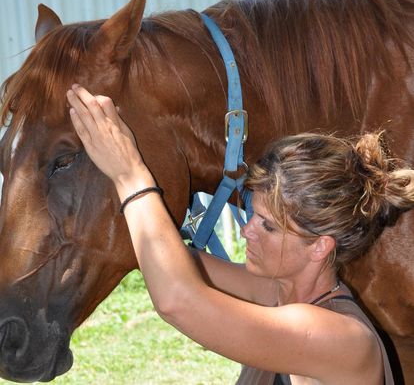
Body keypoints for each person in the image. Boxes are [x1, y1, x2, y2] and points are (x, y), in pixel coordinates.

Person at [66, 84, 412, 385]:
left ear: (320, 246)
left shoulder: (339, 338)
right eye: (253, 216)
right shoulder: (278, 290)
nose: (247, 231)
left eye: (268, 225)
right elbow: (177, 261)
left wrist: (131, 176)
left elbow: (180, 302)